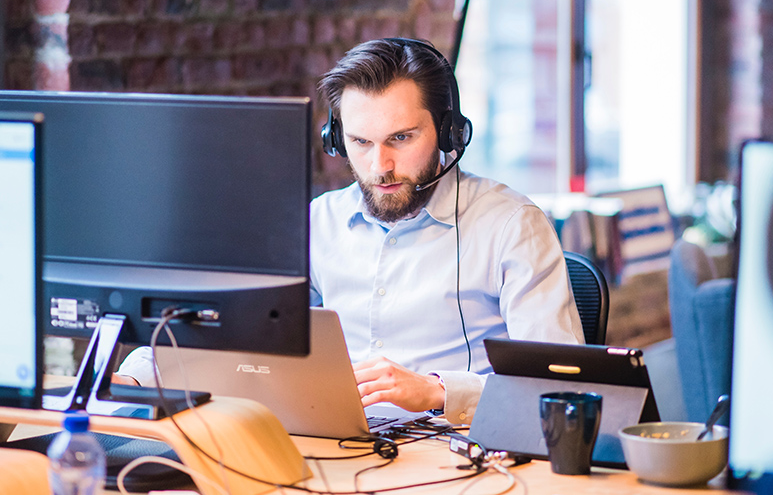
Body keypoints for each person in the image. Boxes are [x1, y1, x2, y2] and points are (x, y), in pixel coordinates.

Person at [116, 38, 583, 425]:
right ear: (337, 139)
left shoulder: (512, 225)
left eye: (401, 138)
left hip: (457, 454)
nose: (380, 167)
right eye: (361, 142)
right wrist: (139, 373)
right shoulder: (319, 223)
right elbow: (226, 324)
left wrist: (437, 390)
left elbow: (560, 384)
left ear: (448, 131)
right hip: (331, 448)